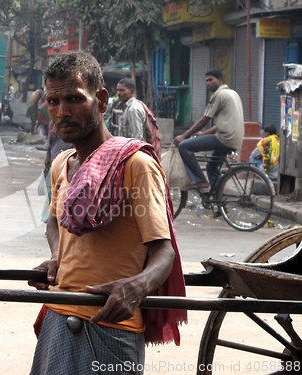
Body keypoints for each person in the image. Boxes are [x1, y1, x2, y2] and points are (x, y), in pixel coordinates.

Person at [29, 51, 186, 374]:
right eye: (53, 101)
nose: (62, 112)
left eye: (74, 99)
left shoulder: (135, 165)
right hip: (57, 316)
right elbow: (54, 225)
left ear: (100, 100)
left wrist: (137, 286)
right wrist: (58, 258)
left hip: (110, 325)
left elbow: (163, 250)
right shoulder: (61, 164)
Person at [174, 69, 244, 191]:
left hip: (224, 138)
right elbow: (222, 123)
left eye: (211, 80)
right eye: (206, 80)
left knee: (184, 146)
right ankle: (220, 204)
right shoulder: (233, 93)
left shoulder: (219, 95)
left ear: (220, 80)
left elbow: (204, 120)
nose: (208, 83)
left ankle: (201, 180)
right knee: (212, 167)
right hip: (235, 139)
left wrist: (183, 136)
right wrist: (204, 134)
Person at [114, 78, 161, 158]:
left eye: (122, 90)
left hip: (134, 154)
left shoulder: (133, 109)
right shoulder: (127, 107)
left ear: (132, 91)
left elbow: (137, 138)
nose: (118, 93)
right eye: (117, 90)